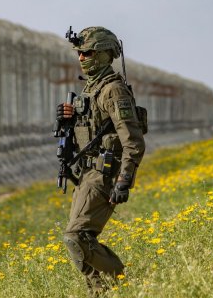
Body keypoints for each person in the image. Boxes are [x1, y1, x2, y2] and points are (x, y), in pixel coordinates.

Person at [56, 26, 146, 296]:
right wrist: (68, 119)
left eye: (88, 52)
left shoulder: (113, 91)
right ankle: (100, 291)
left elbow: (133, 141)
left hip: (104, 175)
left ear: (105, 54)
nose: (81, 58)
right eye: (80, 53)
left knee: (76, 237)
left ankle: (122, 281)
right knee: (80, 240)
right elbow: (91, 130)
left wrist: (124, 180)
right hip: (87, 173)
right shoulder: (92, 89)